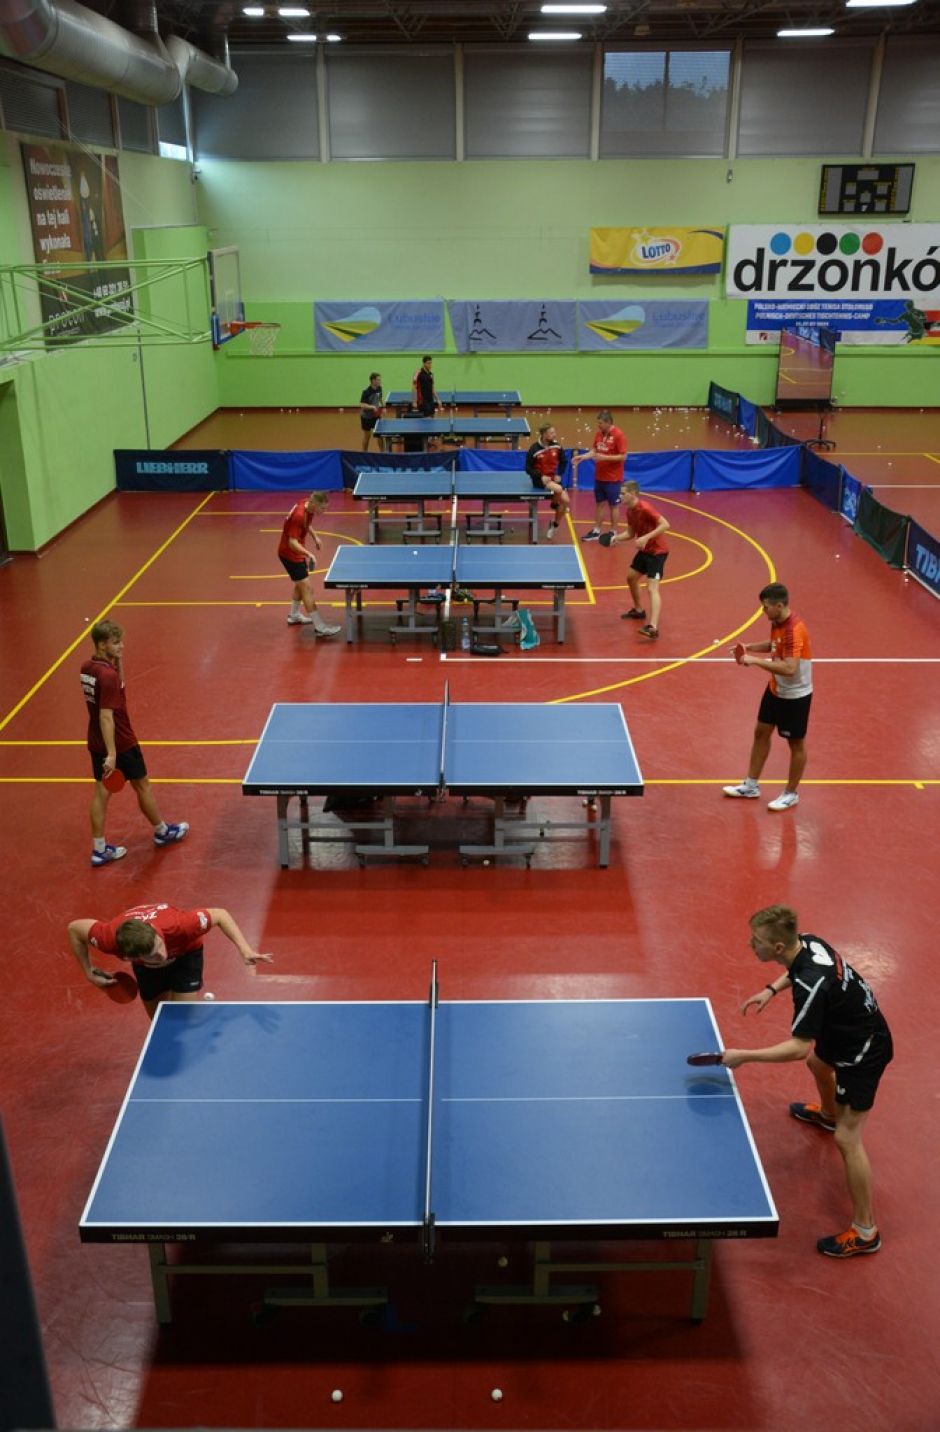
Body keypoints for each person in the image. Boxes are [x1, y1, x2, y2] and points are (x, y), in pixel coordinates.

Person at [722, 905, 893, 1258]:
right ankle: (828, 1114)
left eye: (756, 941)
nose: (751, 945)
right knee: (818, 1063)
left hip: (862, 1051)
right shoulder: (809, 942)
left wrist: (744, 1056)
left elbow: (799, 1047)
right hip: (842, 1028)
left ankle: (866, 1231)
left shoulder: (811, 984)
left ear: (777, 947)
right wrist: (770, 990)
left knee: (847, 1139)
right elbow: (796, 970)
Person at [80, 621, 189, 868]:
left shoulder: (88, 668)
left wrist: (118, 662)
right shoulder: (107, 675)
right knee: (143, 785)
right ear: (102, 644)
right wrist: (112, 754)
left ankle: (99, 849)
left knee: (101, 793)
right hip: (120, 742)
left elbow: (117, 689)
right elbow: (106, 716)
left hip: (96, 741)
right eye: (116, 643)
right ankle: (162, 832)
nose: (122, 646)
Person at [68, 901, 274, 1020]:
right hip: (147, 970)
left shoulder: (180, 926)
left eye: (158, 945)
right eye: (152, 955)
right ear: (130, 957)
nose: (161, 955)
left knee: (181, 1017)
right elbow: (75, 929)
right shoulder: (108, 939)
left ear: (154, 931)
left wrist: (245, 949)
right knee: (159, 1019)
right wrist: (88, 972)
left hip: (186, 954)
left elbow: (220, 915)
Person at [723, 582, 812, 812]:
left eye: (765, 607)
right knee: (761, 732)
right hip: (775, 689)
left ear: (779, 605)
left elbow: (790, 668)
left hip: (795, 695)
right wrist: (749, 647)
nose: (763, 611)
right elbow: (775, 645)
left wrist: (754, 661)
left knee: (796, 743)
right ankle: (751, 785)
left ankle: (791, 794)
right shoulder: (777, 621)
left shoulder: (794, 629)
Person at [607, 480, 670, 639]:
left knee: (652, 588)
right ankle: (639, 610)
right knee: (631, 578)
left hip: (657, 551)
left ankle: (653, 627)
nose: (620, 496)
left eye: (623, 493)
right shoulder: (630, 511)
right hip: (645, 550)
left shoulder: (645, 508)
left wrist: (646, 538)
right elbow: (630, 533)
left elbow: (665, 524)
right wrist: (617, 538)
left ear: (633, 494)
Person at [278, 491, 341, 635]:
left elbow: (306, 524)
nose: (324, 511)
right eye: (322, 508)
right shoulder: (299, 516)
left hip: (296, 553)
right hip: (290, 554)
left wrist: (315, 537)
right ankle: (320, 627)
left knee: (300, 585)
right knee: (307, 589)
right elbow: (292, 542)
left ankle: (294, 616)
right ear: (314, 504)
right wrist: (309, 554)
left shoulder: (307, 504)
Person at [571, 409, 627, 542]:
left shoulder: (619, 435)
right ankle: (596, 531)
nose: (598, 426)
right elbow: (595, 451)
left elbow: (623, 456)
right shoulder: (599, 434)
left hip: (613, 478)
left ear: (608, 422)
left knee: (613, 506)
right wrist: (582, 457)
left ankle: (613, 532)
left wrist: (605, 457)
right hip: (599, 477)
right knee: (599, 504)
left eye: (600, 423)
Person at [525, 423, 570, 540]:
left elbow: (564, 461)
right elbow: (528, 468)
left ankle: (554, 525)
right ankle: (554, 504)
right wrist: (540, 476)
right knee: (558, 489)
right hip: (539, 480)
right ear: (544, 434)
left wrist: (559, 474)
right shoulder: (534, 449)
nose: (554, 434)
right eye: (551, 433)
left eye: (554, 432)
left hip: (553, 479)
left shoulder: (557, 446)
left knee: (566, 501)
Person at [359, 371, 384, 452]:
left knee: (379, 435)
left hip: (376, 416)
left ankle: (382, 452)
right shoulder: (366, 392)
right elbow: (362, 405)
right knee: (367, 436)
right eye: (378, 380)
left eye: (380, 380)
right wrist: (372, 407)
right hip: (366, 417)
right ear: (373, 380)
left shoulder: (379, 388)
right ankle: (364, 453)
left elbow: (380, 398)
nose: (380, 381)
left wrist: (382, 406)